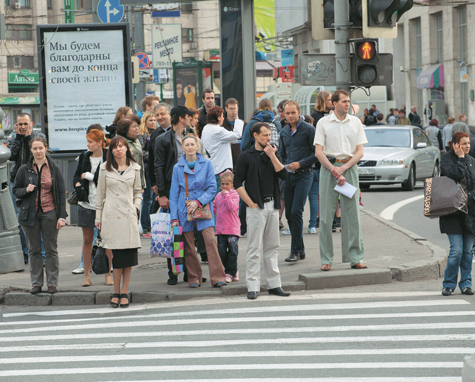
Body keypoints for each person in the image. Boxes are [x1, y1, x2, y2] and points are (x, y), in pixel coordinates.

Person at [234, 122, 290, 299]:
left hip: (273, 205)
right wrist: (250, 203)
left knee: (272, 247)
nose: (268, 138)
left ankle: (274, 284)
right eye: (265, 135)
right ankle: (253, 286)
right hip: (256, 207)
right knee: (254, 248)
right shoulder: (245, 156)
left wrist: (273, 156)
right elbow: (237, 182)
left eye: (269, 135)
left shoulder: (272, 152)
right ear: (255, 136)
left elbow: (284, 175)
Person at [314, 89, 368, 271]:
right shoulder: (323, 123)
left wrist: (343, 169)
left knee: (353, 216)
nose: (347, 104)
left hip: (349, 168)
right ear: (334, 103)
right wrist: (334, 170)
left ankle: (356, 257)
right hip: (328, 169)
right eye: (344, 101)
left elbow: (360, 152)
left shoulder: (355, 123)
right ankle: (326, 259)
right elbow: (318, 152)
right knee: (326, 218)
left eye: (348, 101)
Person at [155, 105, 207, 284]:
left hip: (193, 191)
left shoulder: (190, 135)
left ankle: (190, 272)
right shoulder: (163, 139)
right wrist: (162, 193)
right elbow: (159, 167)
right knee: (175, 235)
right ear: (180, 118)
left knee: (191, 235)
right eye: (188, 116)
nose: (191, 119)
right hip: (174, 191)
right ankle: (174, 272)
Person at [169, 134, 227, 288]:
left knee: (210, 241)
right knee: (188, 245)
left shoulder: (206, 163)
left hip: (202, 207)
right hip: (183, 209)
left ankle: (218, 277)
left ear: (197, 146)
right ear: (182, 148)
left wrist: (198, 201)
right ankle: (194, 278)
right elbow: (173, 195)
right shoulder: (177, 167)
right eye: (186, 145)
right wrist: (174, 217)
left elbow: (212, 188)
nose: (189, 147)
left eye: (192, 145)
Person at [13, 136, 67, 295]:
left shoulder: (54, 168)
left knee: (51, 249)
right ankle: (36, 284)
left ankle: (52, 284)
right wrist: (26, 190)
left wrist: (62, 216)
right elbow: (16, 190)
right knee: (34, 250)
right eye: (35, 148)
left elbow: (61, 194)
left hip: (50, 212)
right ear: (31, 150)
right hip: (29, 214)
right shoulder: (24, 169)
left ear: (46, 148)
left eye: (40, 148)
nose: (38, 151)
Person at [95, 136, 142, 308]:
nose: (118, 149)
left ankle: (125, 291)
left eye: (121, 146)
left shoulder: (135, 169)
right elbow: (99, 196)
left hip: (128, 216)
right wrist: (98, 218)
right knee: (116, 256)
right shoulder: (104, 169)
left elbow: (138, 192)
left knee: (128, 258)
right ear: (111, 150)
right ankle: (116, 291)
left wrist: (136, 208)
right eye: (115, 147)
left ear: (127, 149)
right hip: (111, 216)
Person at [279, 100, 318, 262]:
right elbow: (281, 153)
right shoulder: (283, 132)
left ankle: (294, 251)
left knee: (296, 211)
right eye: (287, 113)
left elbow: (317, 153)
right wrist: (284, 165)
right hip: (289, 175)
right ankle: (300, 250)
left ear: (298, 112)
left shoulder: (309, 130)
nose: (290, 116)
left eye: (292, 113)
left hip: (305, 174)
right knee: (289, 213)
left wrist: (300, 164)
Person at [73, 129, 113, 287]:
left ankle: (108, 275)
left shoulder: (108, 156)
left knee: (106, 241)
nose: (87, 144)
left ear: (98, 142)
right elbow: (76, 175)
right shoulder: (84, 156)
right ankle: (87, 276)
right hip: (86, 203)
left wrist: (89, 176)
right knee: (87, 240)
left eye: (90, 141)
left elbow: (107, 177)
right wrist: (77, 185)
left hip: (105, 204)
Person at [439, 131, 475, 296]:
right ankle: (449, 284)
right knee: (456, 251)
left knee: (468, 252)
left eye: (468, 143)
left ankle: (466, 283)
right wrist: (460, 158)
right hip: (452, 212)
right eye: (464, 143)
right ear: (455, 145)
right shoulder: (446, 160)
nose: (467, 146)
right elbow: (455, 175)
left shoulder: (472, 161)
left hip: (470, 213)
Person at [8, 112, 46, 264]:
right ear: (16, 125)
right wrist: (18, 138)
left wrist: (29, 138)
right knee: (20, 219)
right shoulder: (14, 137)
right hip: (17, 182)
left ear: (31, 124)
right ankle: (25, 254)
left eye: (26, 124)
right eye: (20, 124)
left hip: (35, 181)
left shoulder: (39, 136)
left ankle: (42, 256)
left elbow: (36, 156)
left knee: (37, 217)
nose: (23, 127)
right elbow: (10, 155)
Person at [307, 92, 332, 233]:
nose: (331, 102)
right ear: (323, 101)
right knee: (316, 193)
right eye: (329, 100)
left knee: (324, 192)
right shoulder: (316, 117)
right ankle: (317, 219)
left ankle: (328, 218)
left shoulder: (330, 114)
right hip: (318, 160)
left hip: (327, 157)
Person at [201, 106, 242, 191]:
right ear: (218, 118)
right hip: (219, 170)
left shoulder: (206, 128)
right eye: (222, 116)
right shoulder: (218, 130)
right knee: (220, 199)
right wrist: (237, 119)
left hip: (211, 168)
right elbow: (237, 135)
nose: (223, 118)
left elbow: (230, 139)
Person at [213, 171, 240, 283]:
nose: (224, 186)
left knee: (233, 251)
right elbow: (214, 208)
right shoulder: (218, 196)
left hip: (232, 229)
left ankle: (230, 272)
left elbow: (232, 207)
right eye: (222, 184)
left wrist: (226, 194)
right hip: (220, 230)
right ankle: (231, 270)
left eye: (227, 184)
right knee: (221, 252)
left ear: (232, 185)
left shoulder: (234, 194)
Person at [149, 103, 172, 208]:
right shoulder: (155, 135)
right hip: (162, 181)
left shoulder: (178, 132)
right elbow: (152, 160)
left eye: (162, 114)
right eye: (157, 115)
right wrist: (154, 182)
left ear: (169, 114)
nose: (159, 117)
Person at [138, 112, 156, 237]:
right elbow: (140, 152)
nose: (153, 122)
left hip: (154, 169)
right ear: (145, 121)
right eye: (150, 120)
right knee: (148, 199)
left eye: (154, 120)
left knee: (153, 199)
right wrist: (153, 155)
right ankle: (145, 226)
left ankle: (150, 224)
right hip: (146, 170)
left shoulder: (155, 133)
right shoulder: (143, 135)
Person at [116, 115, 146, 189]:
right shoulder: (119, 142)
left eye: (137, 126)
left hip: (137, 182)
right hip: (124, 183)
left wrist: (142, 184)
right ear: (125, 129)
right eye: (134, 126)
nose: (137, 128)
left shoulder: (136, 140)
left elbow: (140, 163)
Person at [222, 98, 245, 169]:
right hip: (226, 160)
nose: (233, 111)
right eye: (230, 109)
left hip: (241, 159)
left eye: (234, 108)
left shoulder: (244, 124)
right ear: (226, 109)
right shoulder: (222, 125)